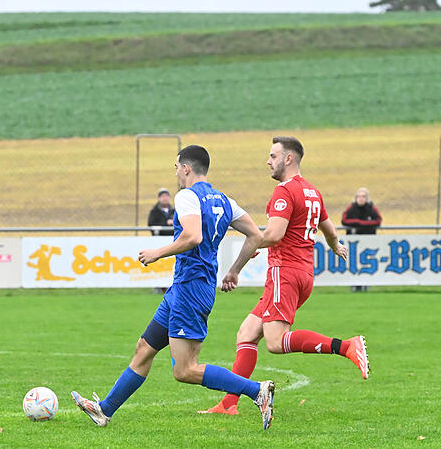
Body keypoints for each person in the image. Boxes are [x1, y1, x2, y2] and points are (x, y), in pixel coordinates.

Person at [71, 145, 276, 430]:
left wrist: (158, 252)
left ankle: (257, 390)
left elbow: (192, 236)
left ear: (187, 168)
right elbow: (256, 235)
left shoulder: (187, 196)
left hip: (191, 290)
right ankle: (104, 410)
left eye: (176, 167)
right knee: (144, 348)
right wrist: (233, 271)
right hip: (185, 288)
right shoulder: (225, 201)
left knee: (185, 369)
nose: (176, 172)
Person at [200, 137, 369, 416]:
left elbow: (274, 235)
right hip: (302, 273)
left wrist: (236, 267)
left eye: (272, 155)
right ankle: (229, 404)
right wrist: (334, 245)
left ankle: (346, 346)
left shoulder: (284, 191)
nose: (268, 161)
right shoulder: (312, 191)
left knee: (276, 342)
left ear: (288, 159)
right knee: (246, 334)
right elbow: (326, 226)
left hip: (285, 272)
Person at [341, 187, 382, 292]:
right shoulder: (351, 208)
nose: (361, 199)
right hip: (353, 243)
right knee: (354, 263)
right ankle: (354, 284)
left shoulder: (371, 208)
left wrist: (360, 224)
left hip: (368, 243)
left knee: (366, 264)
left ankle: (365, 283)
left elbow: (378, 221)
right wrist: (360, 223)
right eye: (359, 196)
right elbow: (344, 220)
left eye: (363, 196)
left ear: (367, 198)